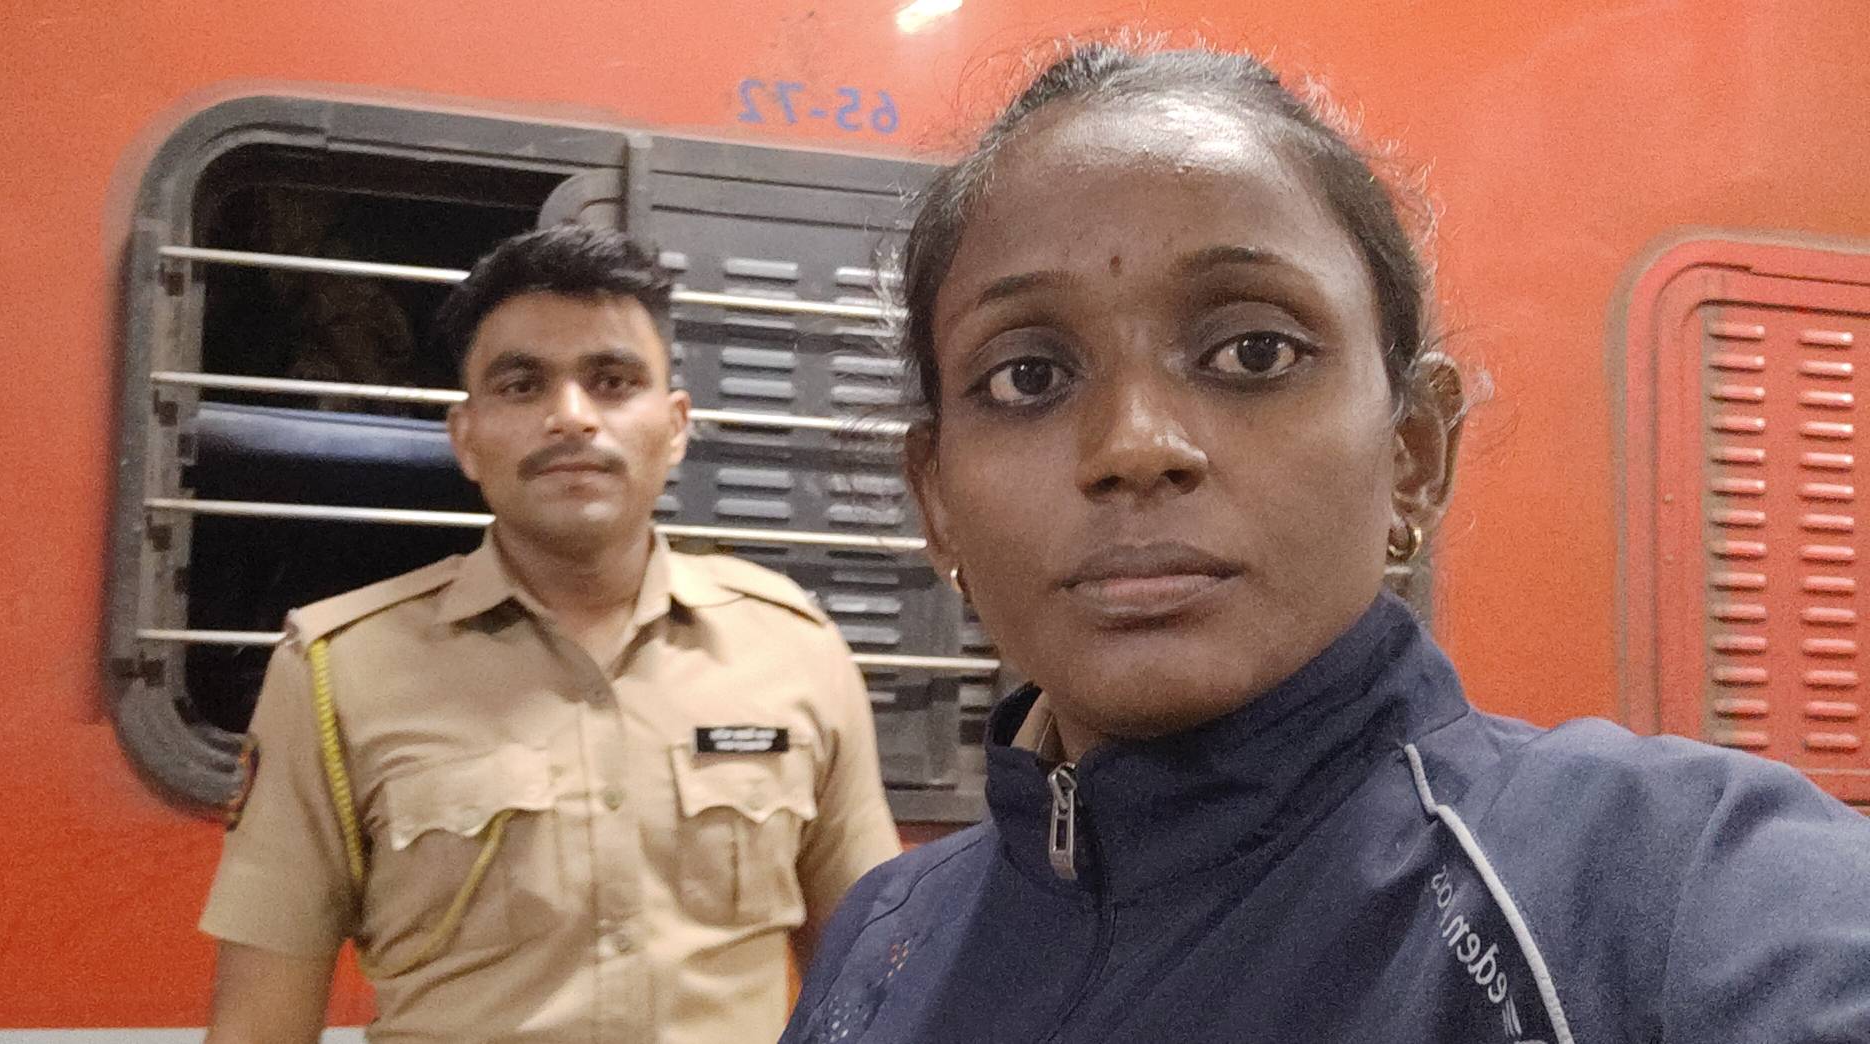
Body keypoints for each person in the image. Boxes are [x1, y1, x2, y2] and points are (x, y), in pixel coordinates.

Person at [783, 41, 1870, 1044]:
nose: (1134, 447)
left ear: (1413, 453)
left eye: (1254, 352)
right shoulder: (886, 942)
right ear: (936, 498)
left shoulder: (1668, 890)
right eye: (1028, 376)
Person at [200, 224, 901, 1044]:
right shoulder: (338, 674)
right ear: (467, 439)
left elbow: (872, 991)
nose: (571, 417)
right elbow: (259, 1025)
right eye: (522, 385)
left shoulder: (795, 652)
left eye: (612, 381)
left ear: (675, 426)